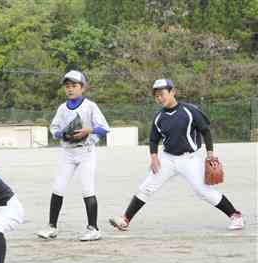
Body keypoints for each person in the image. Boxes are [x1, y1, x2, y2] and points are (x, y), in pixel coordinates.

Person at [109, 79, 244, 231]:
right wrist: (153, 157)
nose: (159, 98)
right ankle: (125, 219)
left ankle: (235, 216)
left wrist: (210, 154)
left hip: (190, 159)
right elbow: (153, 139)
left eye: (162, 94)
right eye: (156, 96)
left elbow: (205, 130)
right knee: (146, 188)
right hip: (168, 159)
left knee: (203, 191)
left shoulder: (189, 110)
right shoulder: (159, 117)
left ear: (173, 92)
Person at [36, 70, 110, 241]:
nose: (70, 89)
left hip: (86, 152)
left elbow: (104, 128)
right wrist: (63, 134)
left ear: (82, 87)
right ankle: (51, 227)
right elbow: (53, 129)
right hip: (68, 152)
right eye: (67, 86)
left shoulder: (90, 106)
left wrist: (88, 130)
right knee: (58, 187)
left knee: (87, 188)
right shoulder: (62, 108)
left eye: (74, 86)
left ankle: (93, 228)